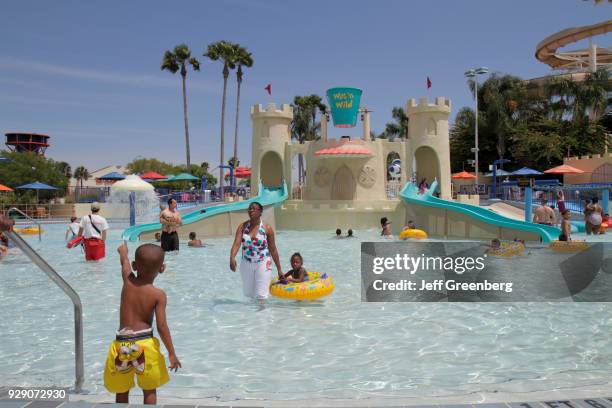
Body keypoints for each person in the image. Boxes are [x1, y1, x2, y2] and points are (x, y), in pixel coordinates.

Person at [103, 243, 181, 405]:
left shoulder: (128, 282)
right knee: (149, 389)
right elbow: (162, 326)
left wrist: (123, 252)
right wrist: (171, 353)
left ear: (135, 265)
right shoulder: (158, 295)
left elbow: (124, 263)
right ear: (162, 268)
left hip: (121, 345)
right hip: (145, 345)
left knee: (122, 389)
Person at [229, 202, 283, 302]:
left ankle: (263, 316)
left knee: (261, 295)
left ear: (260, 212)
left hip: (263, 262)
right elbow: (236, 244)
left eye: (254, 209)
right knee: (248, 294)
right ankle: (251, 317)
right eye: (250, 208)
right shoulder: (242, 227)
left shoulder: (267, 228)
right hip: (246, 263)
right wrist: (232, 257)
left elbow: (273, 249)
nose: (251, 210)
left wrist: (279, 269)